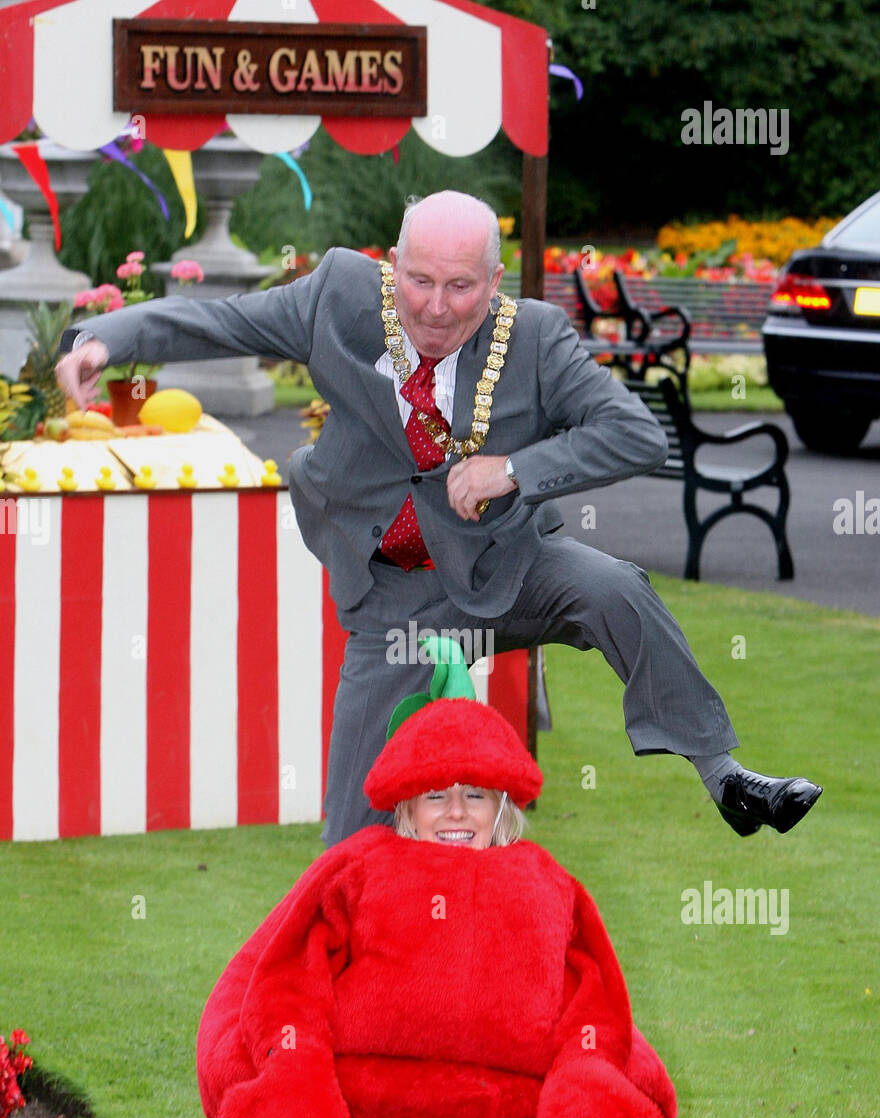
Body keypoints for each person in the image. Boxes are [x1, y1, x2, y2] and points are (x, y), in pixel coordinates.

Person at [56, 190, 821, 846]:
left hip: (505, 568)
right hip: (392, 598)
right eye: (418, 280)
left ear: (494, 282)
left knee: (614, 588)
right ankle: (336, 980)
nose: (434, 305)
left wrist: (513, 470)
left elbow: (634, 434)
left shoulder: (536, 338)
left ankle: (724, 776)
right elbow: (219, 322)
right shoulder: (336, 298)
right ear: (392, 263)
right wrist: (104, 340)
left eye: (460, 286)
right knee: (350, 833)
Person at [195, 658, 678, 1118]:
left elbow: (597, 1009)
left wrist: (587, 1086)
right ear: (407, 803)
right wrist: (295, 1075)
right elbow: (286, 981)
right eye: (436, 794)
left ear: (500, 803)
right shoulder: (355, 868)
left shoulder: (547, 882)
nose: (456, 811)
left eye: (474, 793)